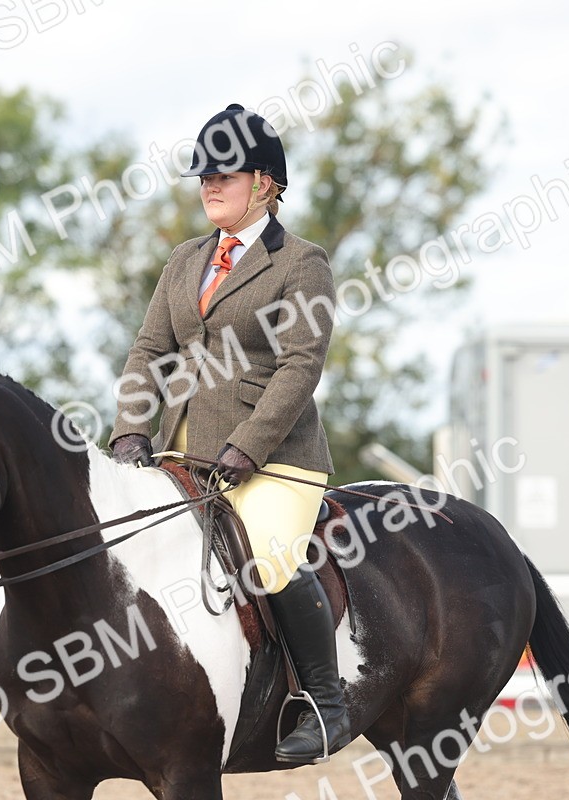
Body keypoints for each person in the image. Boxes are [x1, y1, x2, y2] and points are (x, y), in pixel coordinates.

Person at [109, 104, 350, 763]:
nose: (209, 185)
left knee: (268, 558)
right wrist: (131, 429)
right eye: (203, 177)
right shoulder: (184, 261)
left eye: (224, 175)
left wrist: (248, 445)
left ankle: (326, 704)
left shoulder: (302, 263)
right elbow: (146, 352)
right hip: (179, 452)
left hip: (273, 460)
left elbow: (301, 364)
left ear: (265, 183)